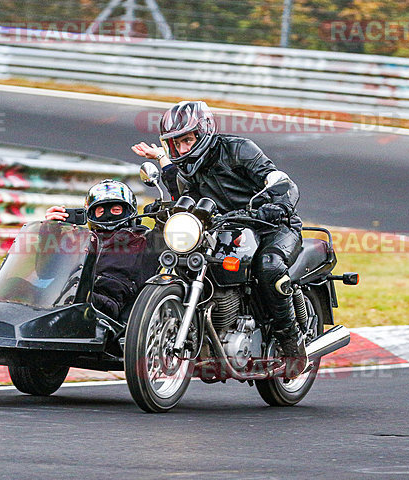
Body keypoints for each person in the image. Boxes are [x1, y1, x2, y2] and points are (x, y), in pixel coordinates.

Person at [131, 100, 307, 377]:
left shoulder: (239, 149)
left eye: (187, 140)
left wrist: (279, 203)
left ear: (203, 132)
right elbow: (181, 193)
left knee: (269, 266)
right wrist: (164, 206)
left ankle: (292, 344)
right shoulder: (188, 166)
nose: (183, 149)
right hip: (224, 228)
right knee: (164, 251)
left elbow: (277, 178)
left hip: (270, 226)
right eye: (175, 143)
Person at [45, 180, 158, 321]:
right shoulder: (81, 240)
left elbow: (182, 217)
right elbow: (45, 274)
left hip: (111, 306)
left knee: (72, 296)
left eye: (116, 210)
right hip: (72, 295)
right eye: (101, 211)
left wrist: (163, 218)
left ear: (129, 210)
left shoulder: (144, 239)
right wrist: (51, 231)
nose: (109, 215)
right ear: (91, 213)